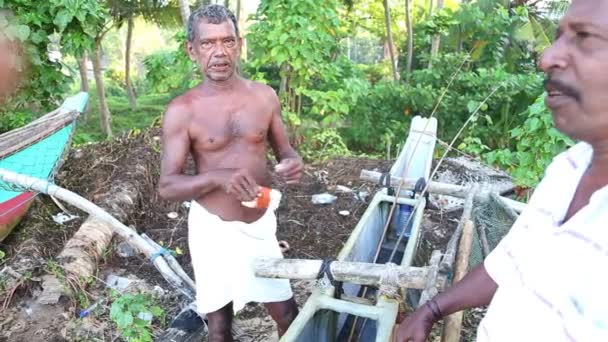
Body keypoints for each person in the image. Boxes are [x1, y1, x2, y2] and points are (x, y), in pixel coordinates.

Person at [396, 0, 608, 341]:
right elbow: (510, 262)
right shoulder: (567, 169)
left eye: (584, 37)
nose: (547, 57)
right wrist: (431, 310)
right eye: (558, 36)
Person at [158, 5, 302, 342]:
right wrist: (217, 177)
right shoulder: (182, 110)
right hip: (212, 229)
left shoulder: (264, 97)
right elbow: (167, 185)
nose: (219, 53)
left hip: (260, 222)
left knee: (289, 316)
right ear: (191, 50)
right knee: (220, 327)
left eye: (227, 41)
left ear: (239, 44)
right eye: (208, 44)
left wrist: (291, 164)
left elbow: (286, 152)